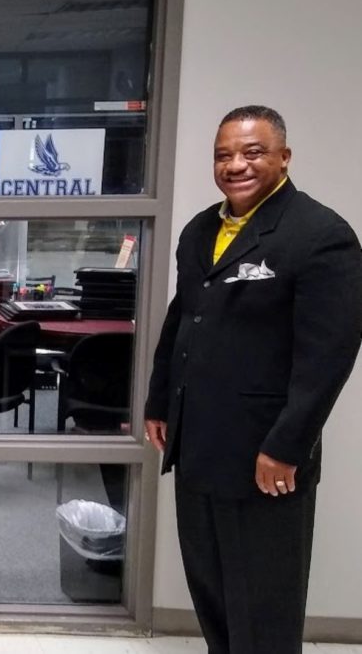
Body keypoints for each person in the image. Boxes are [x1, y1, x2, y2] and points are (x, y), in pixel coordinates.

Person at [145, 105, 362, 654]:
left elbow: (329, 355)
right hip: (198, 448)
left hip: (265, 458)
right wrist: (158, 401)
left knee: (264, 609)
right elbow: (182, 319)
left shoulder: (320, 235)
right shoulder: (200, 231)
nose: (235, 164)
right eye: (223, 155)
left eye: (252, 152)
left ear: (284, 157)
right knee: (213, 595)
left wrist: (287, 445)